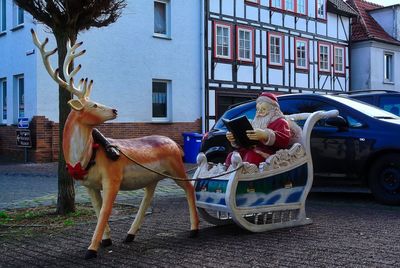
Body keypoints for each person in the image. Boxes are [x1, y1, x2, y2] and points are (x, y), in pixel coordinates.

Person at [225, 92, 291, 166]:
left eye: (263, 109)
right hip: (252, 149)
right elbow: (246, 141)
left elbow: (284, 139)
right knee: (231, 156)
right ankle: (227, 173)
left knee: (252, 156)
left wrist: (265, 135)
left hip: (269, 154)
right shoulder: (254, 122)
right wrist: (235, 138)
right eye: (258, 109)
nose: (259, 112)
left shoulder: (280, 122)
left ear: (274, 109)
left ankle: (245, 174)